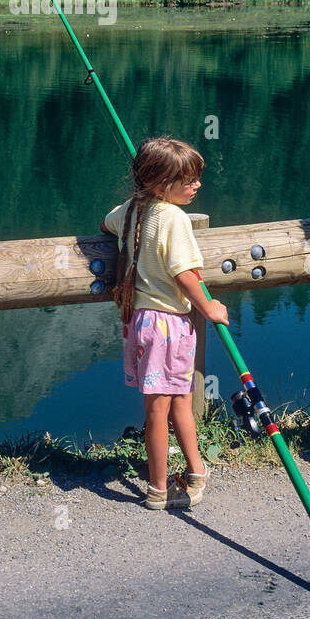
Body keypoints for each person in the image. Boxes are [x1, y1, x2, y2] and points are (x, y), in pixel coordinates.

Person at [101, 136, 228, 509]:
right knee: (161, 411)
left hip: (141, 323)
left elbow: (106, 225)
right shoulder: (173, 218)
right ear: (159, 183)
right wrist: (210, 308)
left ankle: (196, 470)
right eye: (187, 179)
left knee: (180, 402)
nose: (197, 185)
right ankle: (158, 488)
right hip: (169, 327)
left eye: (196, 177)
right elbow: (185, 274)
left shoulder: (132, 208)